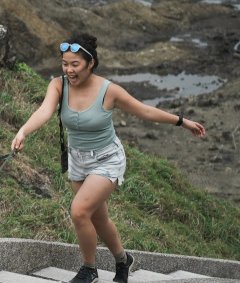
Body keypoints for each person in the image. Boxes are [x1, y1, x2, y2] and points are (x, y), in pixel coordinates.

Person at [11, 33, 206, 283]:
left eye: (75, 64)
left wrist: (182, 121)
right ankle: (124, 260)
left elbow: (145, 111)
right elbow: (44, 111)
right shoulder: (58, 85)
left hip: (107, 160)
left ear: (90, 63)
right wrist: (23, 131)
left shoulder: (109, 91)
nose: (69, 70)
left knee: (79, 211)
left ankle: (89, 269)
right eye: (65, 64)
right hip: (77, 161)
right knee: (98, 218)